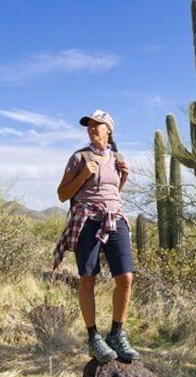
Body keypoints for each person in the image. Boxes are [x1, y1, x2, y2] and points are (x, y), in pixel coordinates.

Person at [53, 109, 140, 363]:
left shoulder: (117, 157)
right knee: (87, 278)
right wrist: (83, 175)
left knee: (125, 278)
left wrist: (124, 176)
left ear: (108, 129)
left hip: (114, 217)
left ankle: (116, 334)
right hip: (87, 218)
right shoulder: (80, 157)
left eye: (97, 125)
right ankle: (93, 338)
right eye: (89, 125)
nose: (92, 128)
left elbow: (113, 191)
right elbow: (62, 194)